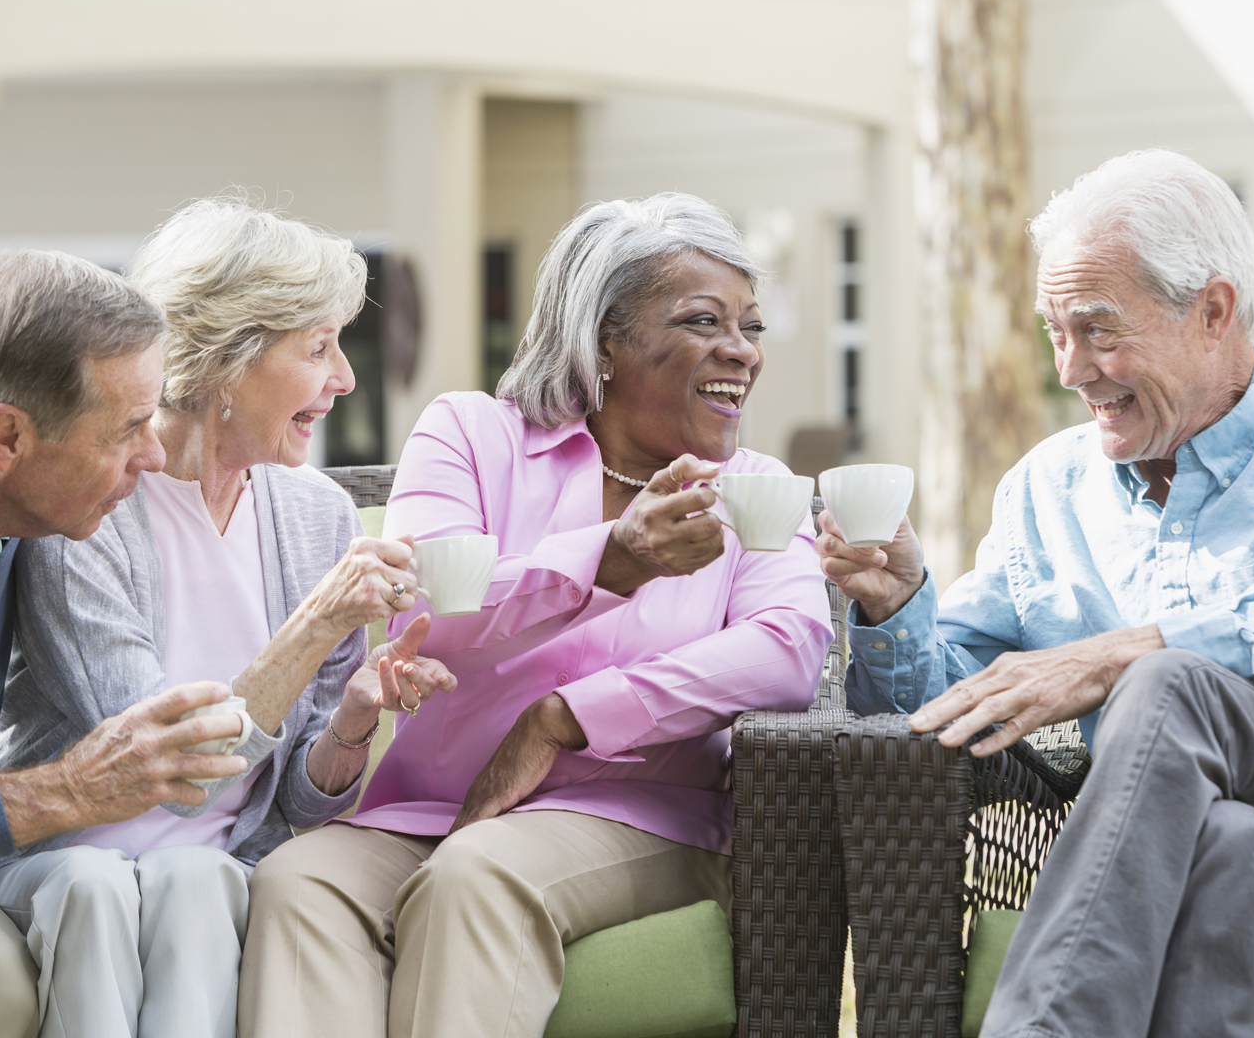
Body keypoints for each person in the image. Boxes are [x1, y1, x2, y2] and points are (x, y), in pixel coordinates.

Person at [238, 192, 834, 1037]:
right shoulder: (469, 436)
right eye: (705, 321)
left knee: (478, 876)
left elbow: (788, 653)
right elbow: (430, 618)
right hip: (435, 807)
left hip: (643, 814)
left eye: (751, 326)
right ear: (603, 340)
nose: (740, 351)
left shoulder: (754, 489)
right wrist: (611, 560)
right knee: (298, 883)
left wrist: (565, 718)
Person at [819, 148, 1254, 1037]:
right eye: (1054, 330)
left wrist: (1133, 651)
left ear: (1213, 310)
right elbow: (956, 702)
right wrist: (893, 610)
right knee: (1238, 853)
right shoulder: (1046, 490)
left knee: (1167, 684)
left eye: (1097, 328)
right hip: (1234, 852)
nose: (1071, 368)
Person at [0, 198, 453, 1038]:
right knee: (94, 886)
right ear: (227, 360)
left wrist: (352, 719)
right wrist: (313, 626)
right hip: (60, 851)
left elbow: (302, 807)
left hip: (214, 862)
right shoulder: (89, 505)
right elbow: (160, 757)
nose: (343, 377)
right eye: (317, 349)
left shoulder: (319, 517)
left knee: (198, 882)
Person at [0, 250, 261, 1038]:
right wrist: (67, 791)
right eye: (128, 429)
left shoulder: (26, 509)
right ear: (8, 436)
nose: (153, 456)